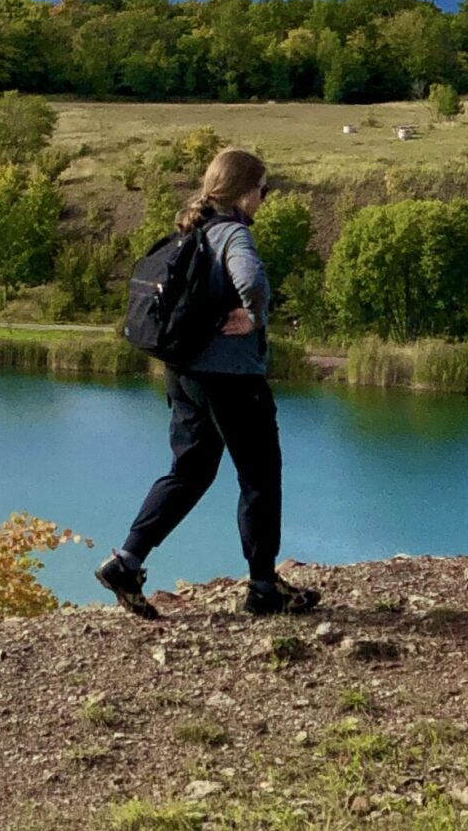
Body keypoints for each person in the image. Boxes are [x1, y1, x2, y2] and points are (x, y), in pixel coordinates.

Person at [96, 147, 320, 619]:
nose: (265, 198)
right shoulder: (232, 234)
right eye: (264, 189)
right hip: (233, 380)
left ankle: (127, 559)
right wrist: (254, 315)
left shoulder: (190, 231)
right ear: (244, 192)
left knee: (190, 472)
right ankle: (263, 588)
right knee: (260, 477)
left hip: (185, 375)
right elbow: (251, 278)